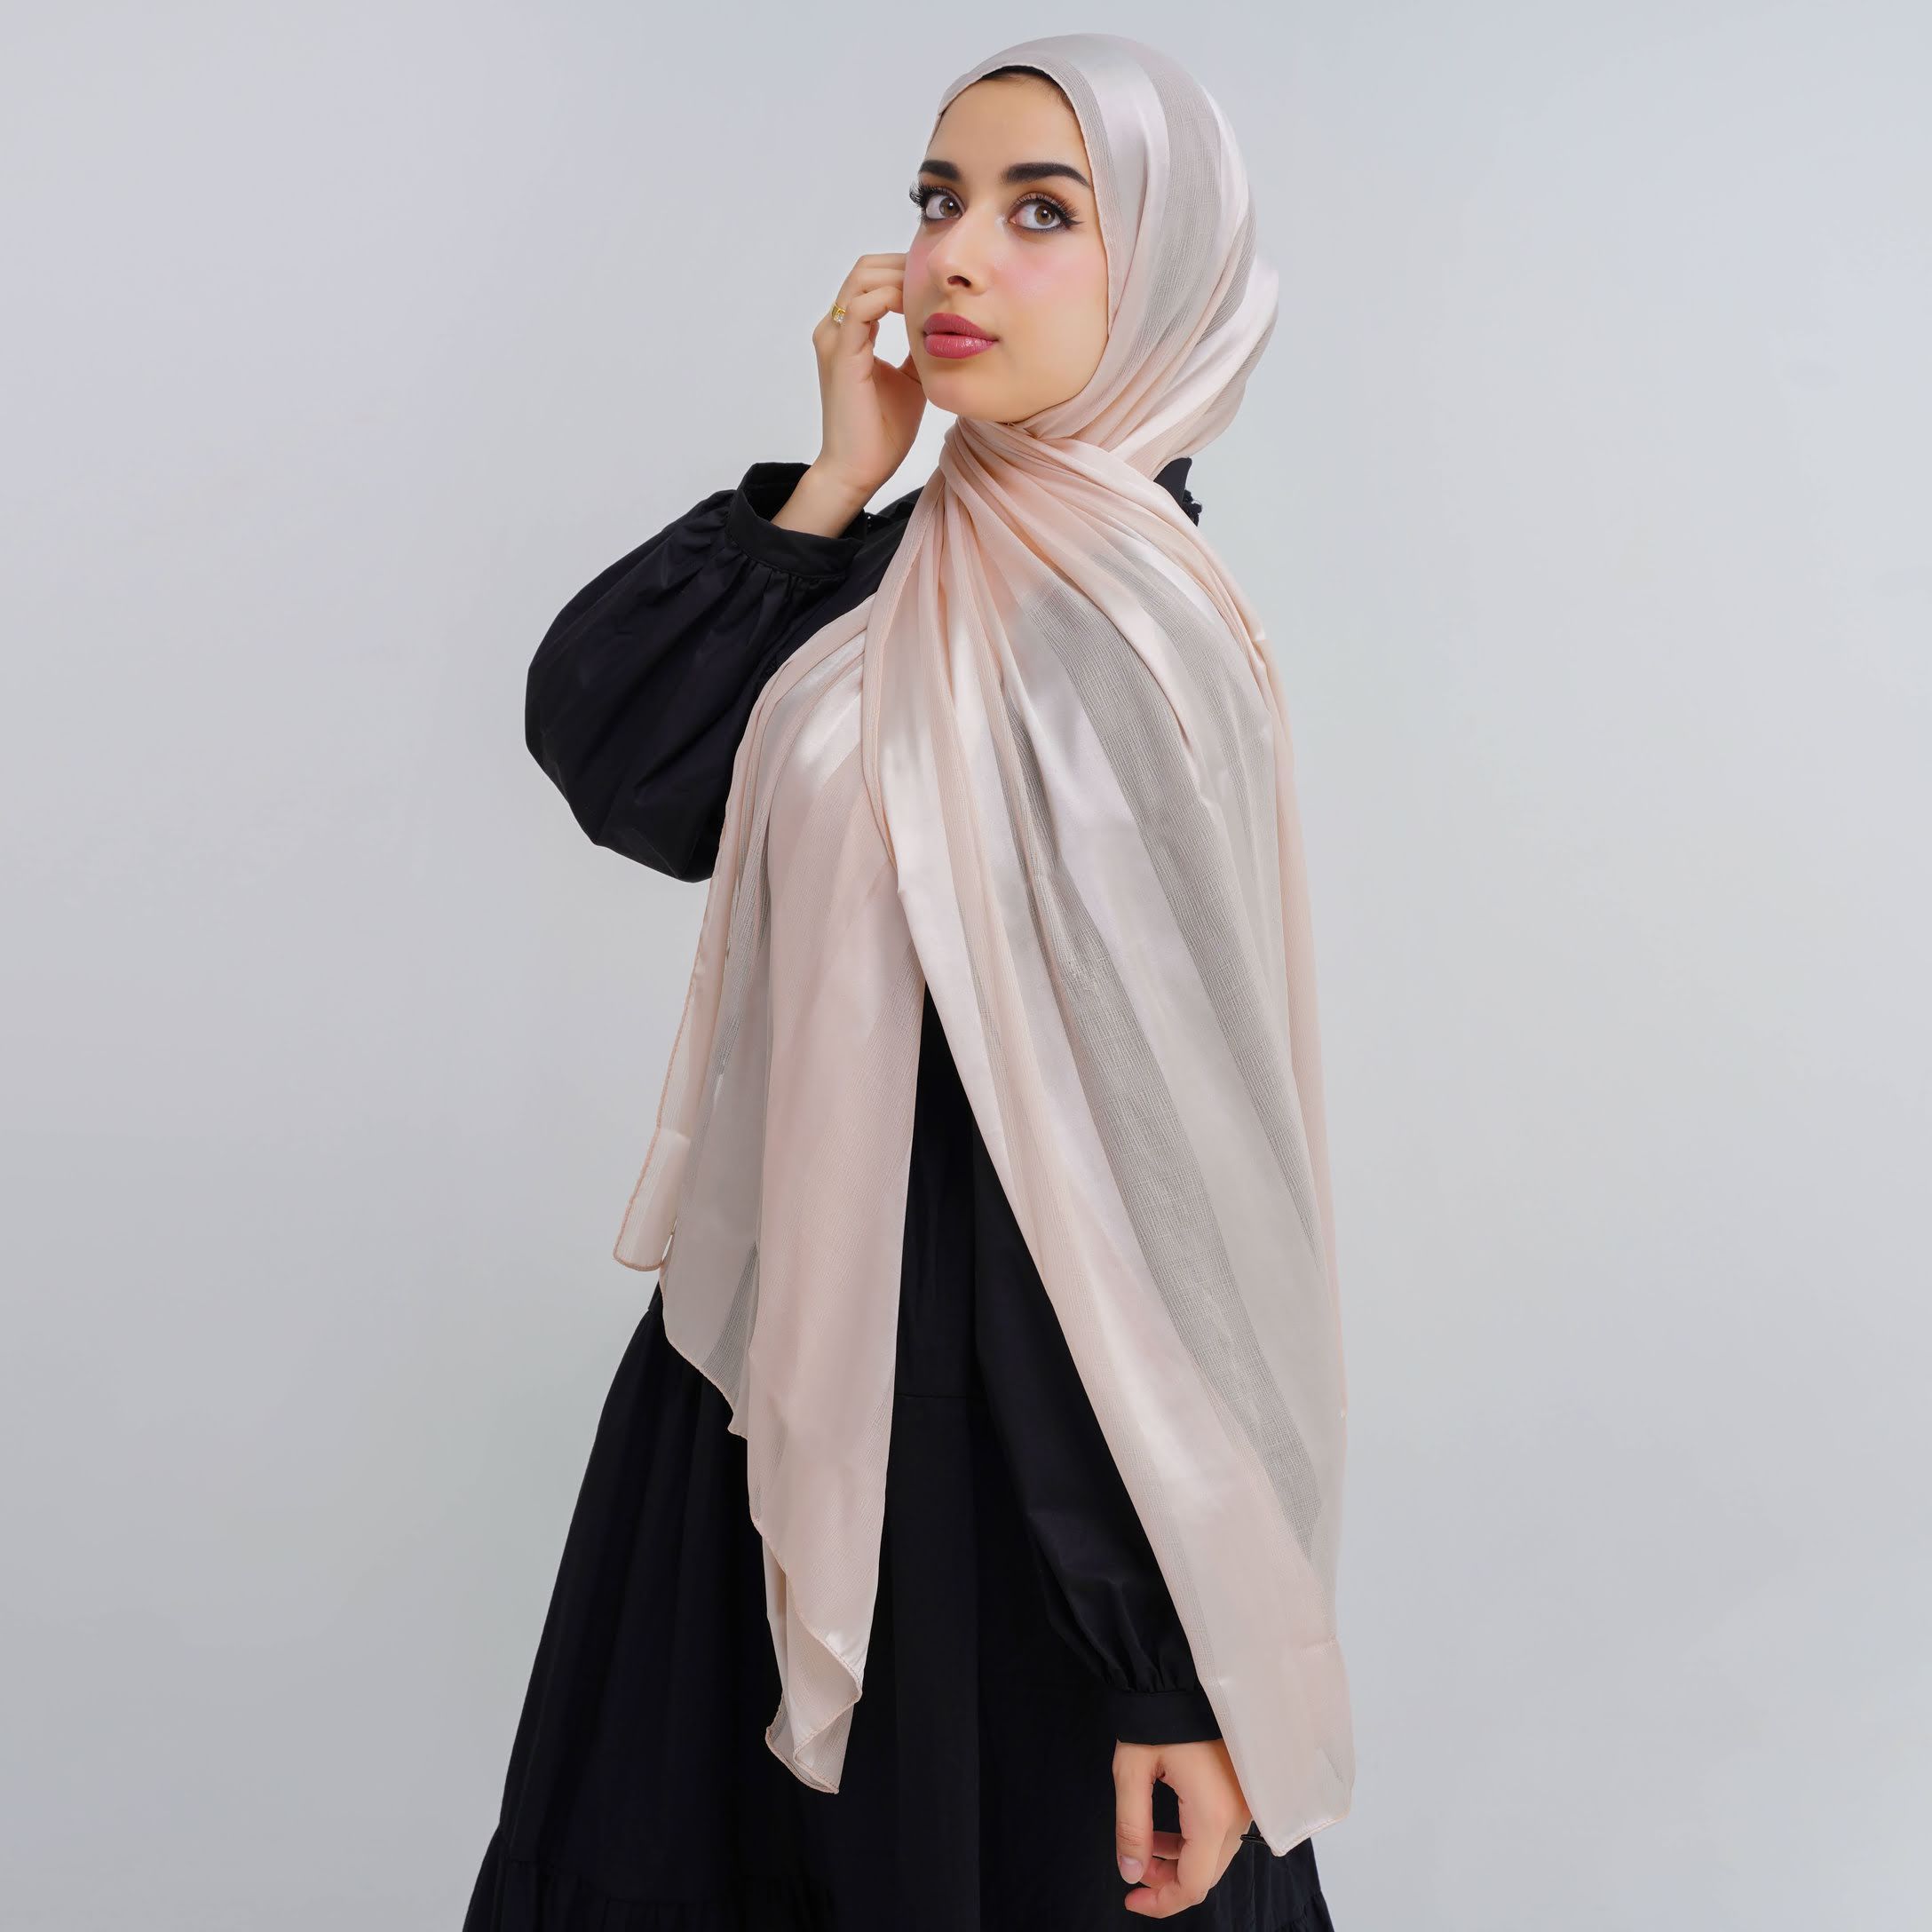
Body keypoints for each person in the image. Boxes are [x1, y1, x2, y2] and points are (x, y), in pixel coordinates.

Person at [463, 34, 1347, 1930]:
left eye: (1042, 212)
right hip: (776, 1384)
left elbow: (1150, 1205)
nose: (953, 254)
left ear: (1168, 272)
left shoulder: (1122, 639)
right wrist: (831, 486)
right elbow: (628, 760)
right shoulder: (906, 576)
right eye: (939, 198)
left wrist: (1164, 1663)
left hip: (1005, 1467)